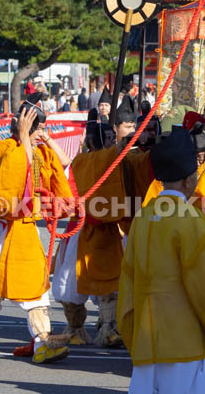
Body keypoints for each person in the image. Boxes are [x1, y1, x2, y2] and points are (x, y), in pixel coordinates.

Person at [118, 126, 205, 394]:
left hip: (146, 333)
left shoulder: (143, 218)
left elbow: (127, 278)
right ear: (191, 179)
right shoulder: (191, 220)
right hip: (184, 339)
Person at [0, 104, 74, 363]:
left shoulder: (41, 151)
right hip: (1, 229)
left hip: (26, 229)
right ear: (22, 127)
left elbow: (63, 164)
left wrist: (44, 138)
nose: (41, 133)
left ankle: (42, 341)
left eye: (42, 128)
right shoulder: (5, 149)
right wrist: (23, 136)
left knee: (36, 286)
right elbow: (4, 186)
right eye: (37, 128)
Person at [52, 101, 148, 348]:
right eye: (104, 137)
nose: (109, 140)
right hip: (81, 231)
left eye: (111, 136)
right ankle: (75, 327)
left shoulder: (120, 158)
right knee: (71, 286)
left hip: (111, 230)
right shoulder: (87, 161)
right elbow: (77, 168)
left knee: (110, 284)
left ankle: (109, 327)